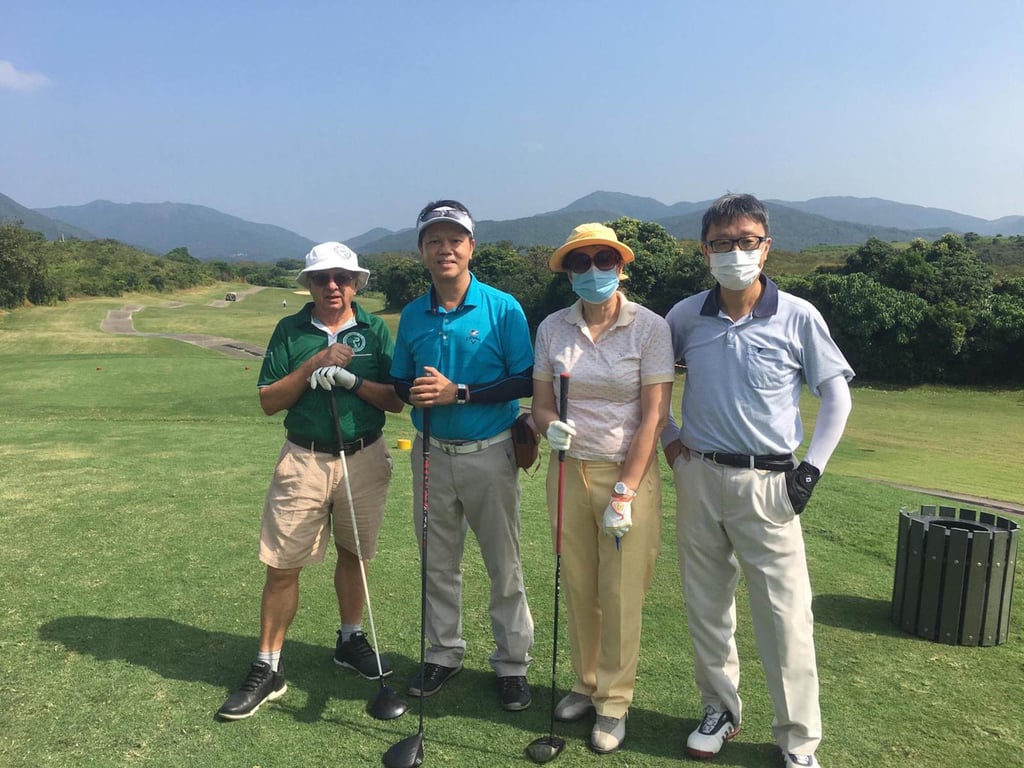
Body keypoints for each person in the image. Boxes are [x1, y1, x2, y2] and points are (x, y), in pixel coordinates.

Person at [662, 194, 854, 768]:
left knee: (785, 614)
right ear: (705, 251)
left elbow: (836, 395)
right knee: (706, 604)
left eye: (747, 241)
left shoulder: (797, 315)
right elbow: (649, 385)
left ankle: (798, 738)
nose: (735, 252)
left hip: (770, 482)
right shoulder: (684, 316)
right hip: (698, 474)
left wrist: (812, 468)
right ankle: (720, 709)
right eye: (722, 243)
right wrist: (670, 440)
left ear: (766, 247)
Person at [217, 241, 405, 720]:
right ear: (309, 284)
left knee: (355, 555)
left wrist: (353, 382)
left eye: (342, 277)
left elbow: (395, 401)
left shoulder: (374, 330)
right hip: (304, 457)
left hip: (364, 455)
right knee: (282, 565)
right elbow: (269, 401)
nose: (333, 286)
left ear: (356, 282)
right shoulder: (289, 330)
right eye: (322, 278)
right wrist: (312, 366)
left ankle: (349, 639)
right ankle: (268, 666)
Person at [531, 223, 675, 754]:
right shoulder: (551, 328)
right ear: (568, 272)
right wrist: (548, 426)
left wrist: (626, 492)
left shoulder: (650, 328)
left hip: (625, 474)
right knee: (580, 585)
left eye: (602, 259)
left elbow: (654, 416)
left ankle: (613, 702)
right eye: (580, 262)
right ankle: (585, 683)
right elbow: (541, 400)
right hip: (568, 471)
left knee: (619, 593)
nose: (593, 270)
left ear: (620, 265)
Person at [390, 200, 536, 711]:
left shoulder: (503, 307)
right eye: (434, 240)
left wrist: (461, 393)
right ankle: (443, 652)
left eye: (455, 239)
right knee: (437, 561)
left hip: (489, 452)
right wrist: (415, 392)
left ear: (471, 247)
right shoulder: (412, 314)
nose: (445, 248)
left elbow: (524, 380)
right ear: (422, 251)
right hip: (430, 454)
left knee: (504, 564)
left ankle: (513, 663)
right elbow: (400, 381)